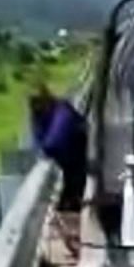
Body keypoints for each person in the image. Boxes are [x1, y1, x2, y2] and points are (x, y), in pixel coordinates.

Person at [29, 84, 88, 213]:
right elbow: (38, 137)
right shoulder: (41, 114)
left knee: (74, 183)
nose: (36, 106)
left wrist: (43, 148)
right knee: (72, 183)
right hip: (67, 157)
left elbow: (52, 140)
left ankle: (72, 204)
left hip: (76, 155)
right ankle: (70, 204)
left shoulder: (62, 110)